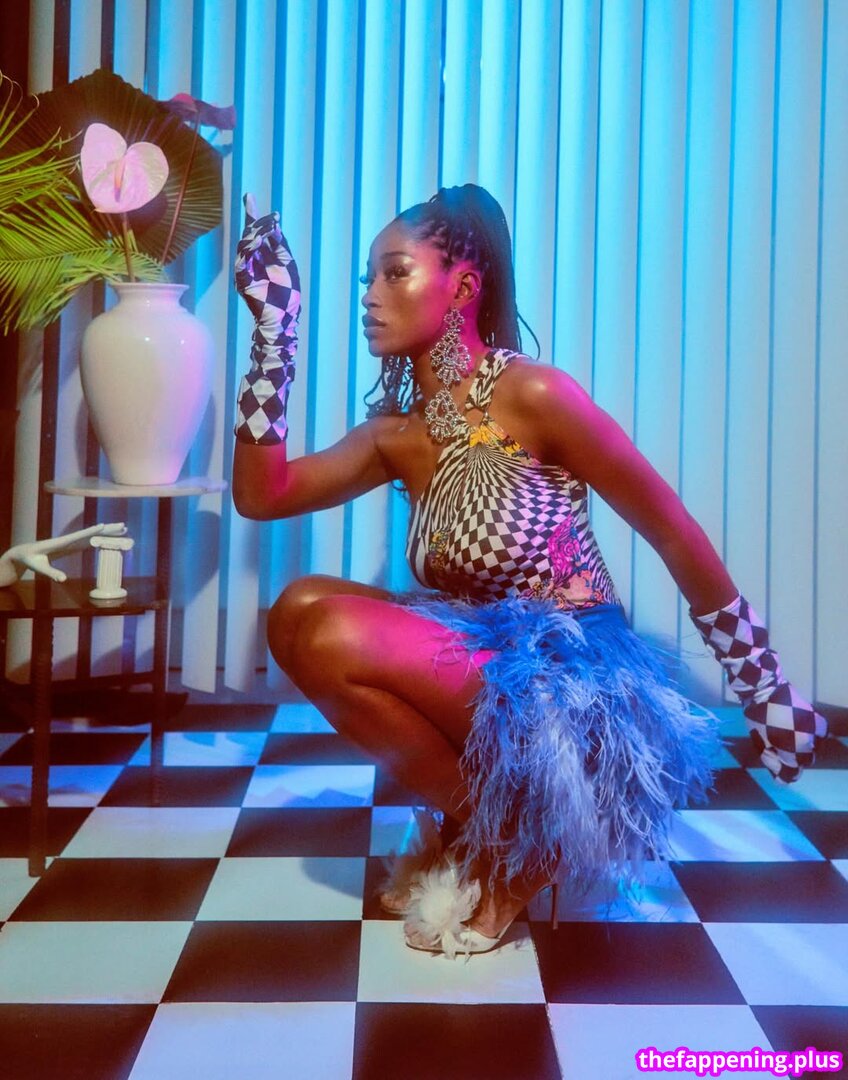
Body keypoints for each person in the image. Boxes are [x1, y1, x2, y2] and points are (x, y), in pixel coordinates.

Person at [231, 185, 828, 958]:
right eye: (366, 278)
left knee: (330, 630)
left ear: (462, 288)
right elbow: (263, 494)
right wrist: (274, 334)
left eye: (395, 273)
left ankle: (524, 842)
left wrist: (764, 687)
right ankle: (500, 829)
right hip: (481, 666)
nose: (371, 296)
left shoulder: (534, 394)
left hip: (568, 693)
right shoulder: (397, 433)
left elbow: (672, 530)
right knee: (297, 609)